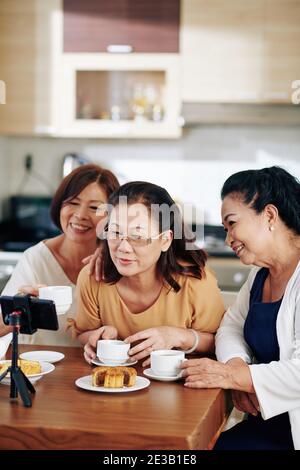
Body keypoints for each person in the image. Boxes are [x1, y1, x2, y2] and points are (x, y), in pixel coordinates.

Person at [181, 166, 300, 450]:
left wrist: (236, 377)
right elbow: (230, 327)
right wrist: (238, 368)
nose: (228, 238)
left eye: (232, 223)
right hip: (266, 423)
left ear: (269, 215)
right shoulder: (260, 275)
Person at [71, 181, 225, 366]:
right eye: (115, 232)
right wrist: (96, 338)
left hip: (181, 386)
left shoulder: (196, 282)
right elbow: (83, 333)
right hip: (111, 387)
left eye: (137, 237)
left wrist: (178, 337)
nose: (124, 247)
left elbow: (220, 342)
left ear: (165, 240)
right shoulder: (93, 277)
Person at [0, 164, 119, 346]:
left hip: (91, 367)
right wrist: (20, 306)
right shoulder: (36, 258)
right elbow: (1, 327)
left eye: (94, 208)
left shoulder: (119, 260)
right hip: (39, 367)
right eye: (73, 203)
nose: (80, 215)